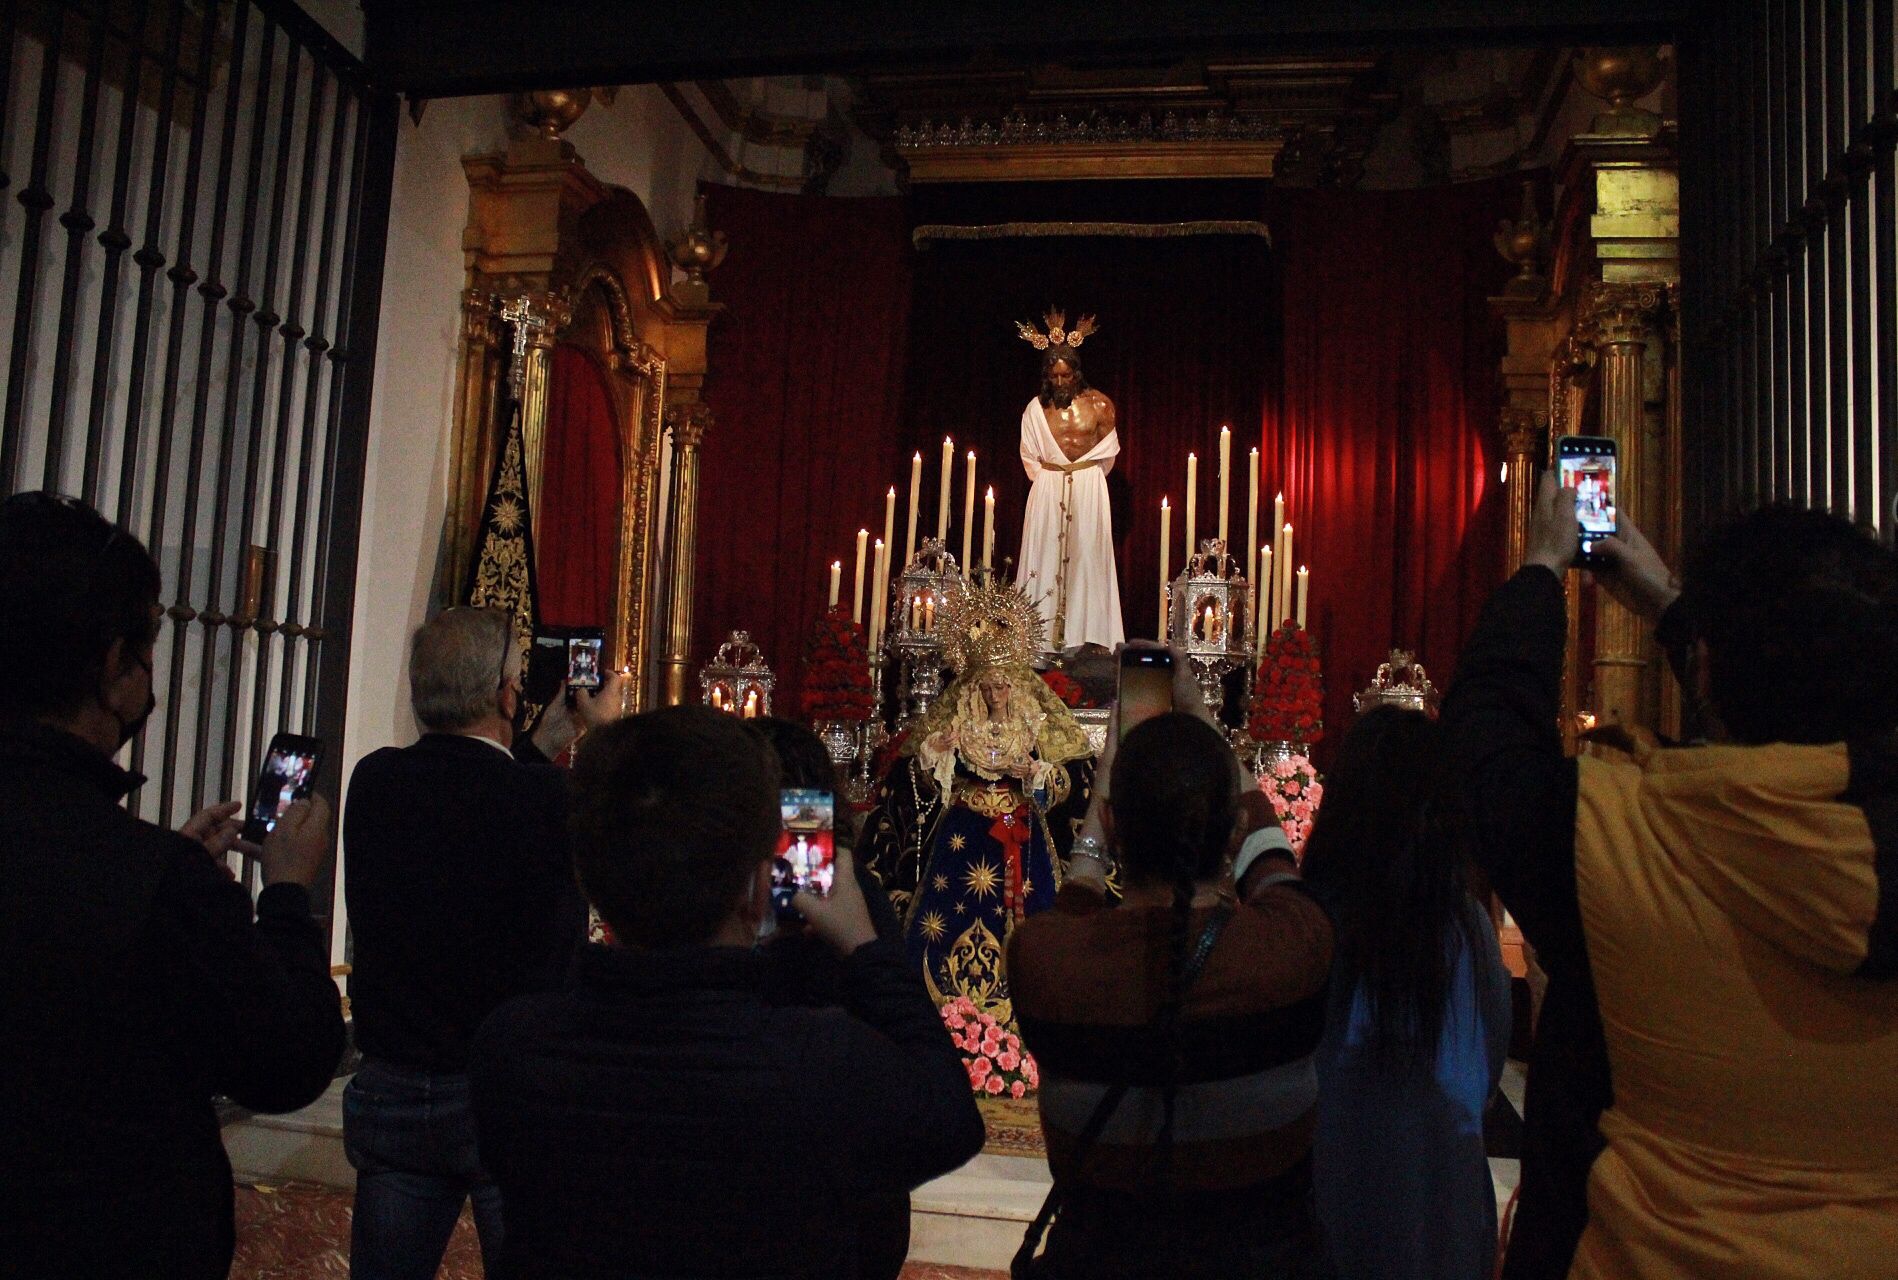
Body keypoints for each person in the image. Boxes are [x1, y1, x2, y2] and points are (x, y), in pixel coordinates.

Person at [1442, 475, 1898, 1279]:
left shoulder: (1625, 839)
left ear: (1710, 672)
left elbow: (1484, 744)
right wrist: (1683, 617)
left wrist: (1542, 567)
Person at [468, 706, 986, 1279]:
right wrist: (864, 945)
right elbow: (951, 1122)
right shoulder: (821, 1064)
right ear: (759, 884)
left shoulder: (511, 1047)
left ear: (588, 875)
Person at [0, 491, 344, 1278]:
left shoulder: (154, 875)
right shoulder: (153, 881)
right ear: (112, 665)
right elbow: (287, 1057)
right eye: (146, 654)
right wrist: (287, 894)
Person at [1007, 648, 1335, 1280]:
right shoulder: (1294, 947)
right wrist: (1205, 721)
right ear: (1232, 828)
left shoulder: (1048, 965)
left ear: (1109, 821)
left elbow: (1067, 922)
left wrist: (1102, 807)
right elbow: (1274, 869)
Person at [342, 605, 622, 1277]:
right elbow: (621, 832)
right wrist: (604, 737)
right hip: (507, 1093)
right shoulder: (549, 799)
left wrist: (534, 744)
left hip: (396, 1085)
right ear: (506, 693)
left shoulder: (375, 781)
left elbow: (466, 805)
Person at [1298, 706, 1511, 1280]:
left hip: (1334, 1206)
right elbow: (1484, 1079)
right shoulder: (1467, 930)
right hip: (1445, 1217)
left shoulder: (1313, 924)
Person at [862, 577, 1093, 1022]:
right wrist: (937, 757)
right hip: (964, 831)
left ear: (1016, 686)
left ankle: (1028, 1008)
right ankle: (946, 1012)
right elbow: (917, 782)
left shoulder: (1034, 724)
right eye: (986, 687)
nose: (993, 695)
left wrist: (1038, 775)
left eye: (1001, 687)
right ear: (975, 687)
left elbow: (1071, 782)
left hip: (1020, 837)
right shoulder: (959, 722)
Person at [1014, 308, 1124, 650]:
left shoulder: (1101, 406)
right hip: (1049, 487)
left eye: (1066, 376)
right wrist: (1054, 480)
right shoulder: (1036, 409)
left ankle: (1090, 638)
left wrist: (1083, 478)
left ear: (1077, 373)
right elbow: (1030, 456)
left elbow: (1107, 454)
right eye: (1054, 377)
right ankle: (1039, 640)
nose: (1060, 383)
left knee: (1088, 557)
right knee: (1045, 555)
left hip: (1089, 486)